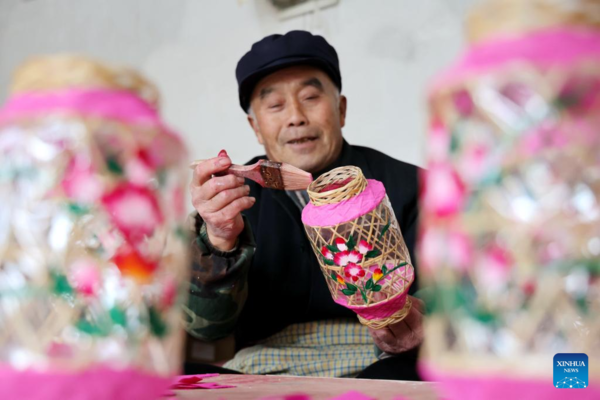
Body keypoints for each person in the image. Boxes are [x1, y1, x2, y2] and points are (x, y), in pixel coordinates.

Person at [185, 30, 424, 380]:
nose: (295, 116)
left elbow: (458, 292)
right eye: (275, 105)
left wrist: (423, 316)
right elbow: (207, 330)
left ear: (341, 109)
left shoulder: (412, 185)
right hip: (264, 369)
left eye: (311, 97)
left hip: (383, 362)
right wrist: (220, 239)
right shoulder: (230, 201)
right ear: (256, 127)